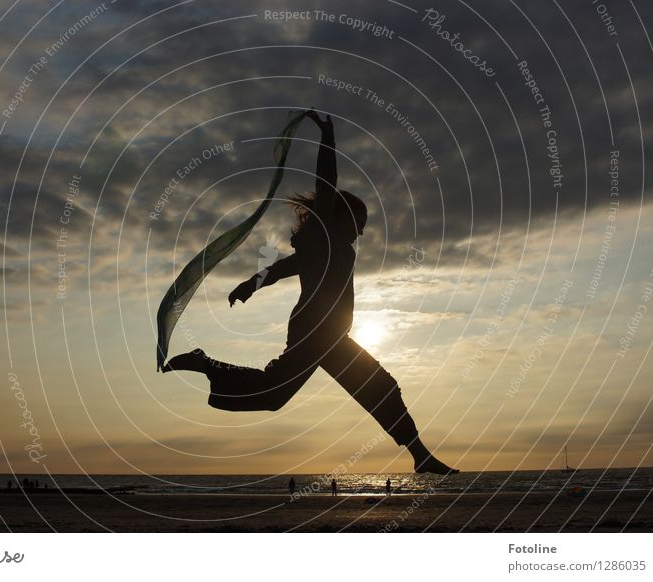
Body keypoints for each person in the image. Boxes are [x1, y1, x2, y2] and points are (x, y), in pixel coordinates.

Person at [163, 110, 457, 475]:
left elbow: (283, 268)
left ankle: (422, 457)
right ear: (338, 217)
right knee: (300, 392)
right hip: (316, 335)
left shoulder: (330, 247)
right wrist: (328, 140)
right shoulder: (325, 237)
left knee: (351, 390)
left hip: (330, 338)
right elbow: (326, 182)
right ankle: (206, 363)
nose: (362, 233)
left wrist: (251, 285)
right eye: (359, 224)